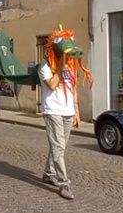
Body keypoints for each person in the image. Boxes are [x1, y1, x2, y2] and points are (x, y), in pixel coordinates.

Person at [38, 29, 92, 200]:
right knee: (58, 148)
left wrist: (76, 112)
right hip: (53, 111)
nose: (67, 57)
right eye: (63, 54)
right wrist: (61, 64)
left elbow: (73, 88)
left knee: (59, 147)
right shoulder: (44, 66)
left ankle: (48, 172)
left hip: (68, 112)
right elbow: (53, 85)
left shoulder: (70, 65)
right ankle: (64, 183)